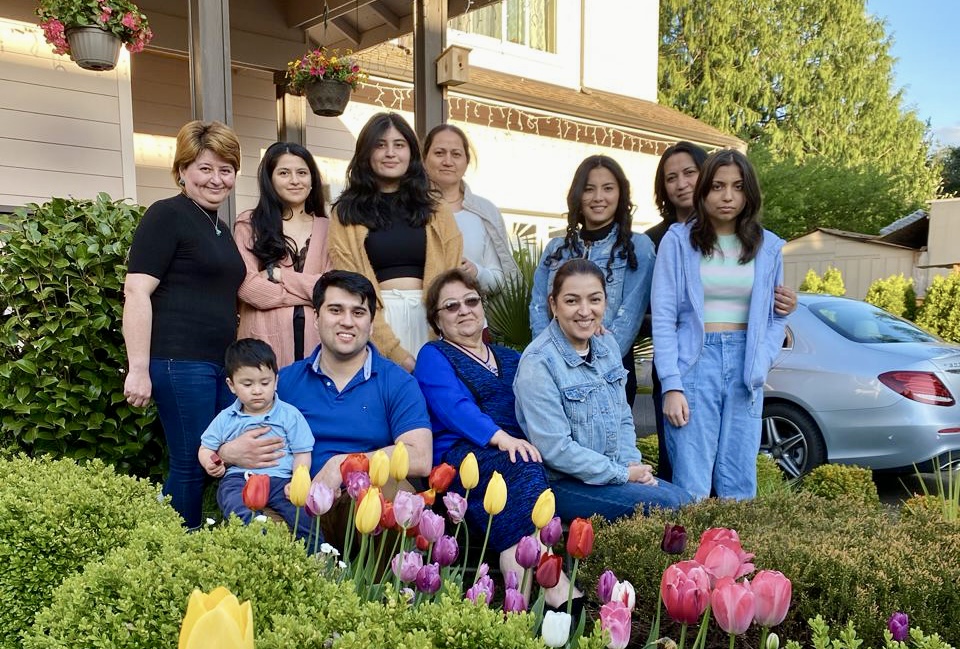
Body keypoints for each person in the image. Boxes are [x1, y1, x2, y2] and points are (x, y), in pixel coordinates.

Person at [646, 141, 797, 481]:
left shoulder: (768, 246)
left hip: (746, 366)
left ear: (749, 193)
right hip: (694, 363)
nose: (727, 196)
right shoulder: (678, 241)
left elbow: (776, 316)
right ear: (704, 191)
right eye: (717, 186)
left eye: (737, 187)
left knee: (739, 477)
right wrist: (671, 385)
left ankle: (735, 524)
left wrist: (762, 360)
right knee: (691, 477)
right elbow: (665, 319)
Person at [122, 120, 245, 529]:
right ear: (182, 171)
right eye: (205, 168)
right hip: (179, 362)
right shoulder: (167, 215)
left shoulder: (220, 228)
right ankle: (176, 547)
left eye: (225, 169)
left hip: (218, 365)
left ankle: (197, 538)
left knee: (219, 456)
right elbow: (136, 291)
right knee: (192, 462)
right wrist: (138, 369)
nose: (216, 179)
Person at [216, 270, 432, 494]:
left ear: (371, 324)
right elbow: (227, 433)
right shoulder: (285, 382)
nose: (347, 322)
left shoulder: (398, 382)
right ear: (316, 319)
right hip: (292, 498)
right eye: (335, 310)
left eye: (358, 312)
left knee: (396, 490)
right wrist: (227, 452)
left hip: (366, 500)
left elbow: (420, 457)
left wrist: (342, 466)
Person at [516, 259, 691, 522]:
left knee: (686, 500)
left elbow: (622, 417)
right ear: (553, 305)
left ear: (605, 303)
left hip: (613, 472)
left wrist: (632, 464)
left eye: (594, 300)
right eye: (572, 301)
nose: (585, 311)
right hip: (564, 484)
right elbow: (556, 449)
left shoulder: (606, 345)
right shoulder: (538, 363)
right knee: (670, 505)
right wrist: (623, 475)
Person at [329, 112, 463, 371]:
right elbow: (350, 285)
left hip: (432, 321)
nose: (390, 153)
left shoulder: (437, 209)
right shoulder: (346, 213)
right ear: (366, 153)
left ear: (411, 153)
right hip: (372, 324)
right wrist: (392, 349)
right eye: (380, 145)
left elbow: (452, 276)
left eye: (399, 145)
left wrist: (440, 338)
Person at [530, 155, 655, 406]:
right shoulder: (555, 249)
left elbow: (629, 317)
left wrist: (591, 362)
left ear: (620, 194)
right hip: (553, 372)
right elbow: (538, 308)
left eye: (608, 188)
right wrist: (549, 361)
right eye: (589, 189)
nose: (598, 197)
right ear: (578, 195)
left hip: (609, 373)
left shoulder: (638, 247)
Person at [199, 338, 313, 540]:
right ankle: (257, 540)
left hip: (281, 480)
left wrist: (298, 481)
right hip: (240, 479)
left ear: (276, 381)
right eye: (247, 384)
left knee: (303, 515)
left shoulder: (290, 415)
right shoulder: (226, 418)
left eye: (265, 383)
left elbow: (302, 453)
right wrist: (210, 462)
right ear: (231, 385)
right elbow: (206, 447)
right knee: (234, 503)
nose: (257, 390)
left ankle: (317, 553)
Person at [235, 141, 331, 368]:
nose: (295, 180)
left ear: (312, 180)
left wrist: (277, 275)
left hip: (318, 341)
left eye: (302, 173)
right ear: (270, 180)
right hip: (263, 343)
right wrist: (311, 293)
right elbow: (248, 288)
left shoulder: (330, 228)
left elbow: (333, 288)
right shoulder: (249, 224)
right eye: (284, 173)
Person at [422, 124, 518, 293]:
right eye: (439, 153)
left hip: (470, 306)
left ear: (466, 162)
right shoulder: (410, 207)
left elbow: (499, 279)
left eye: (456, 154)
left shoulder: (485, 212)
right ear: (424, 159)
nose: (447, 161)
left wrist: (476, 272)